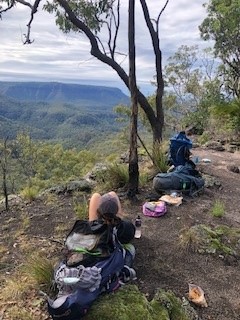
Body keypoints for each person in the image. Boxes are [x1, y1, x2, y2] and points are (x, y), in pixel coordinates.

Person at [88, 192, 136, 281]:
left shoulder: (91, 228)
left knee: (95, 196)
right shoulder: (126, 227)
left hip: (96, 253)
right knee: (131, 248)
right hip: (113, 255)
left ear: (98, 212)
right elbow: (130, 235)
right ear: (117, 211)